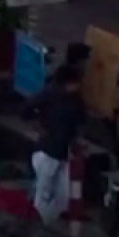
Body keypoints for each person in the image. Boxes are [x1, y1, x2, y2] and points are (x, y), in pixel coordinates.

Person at [27, 63, 85, 224]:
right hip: (48, 150)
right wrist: (38, 127)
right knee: (44, 192)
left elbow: (79, 121)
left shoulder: (74, 100)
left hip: (63, 152)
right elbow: (26, 109)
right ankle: (38, 224)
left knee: (63, 195)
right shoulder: (49, 95)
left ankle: (47, 222)